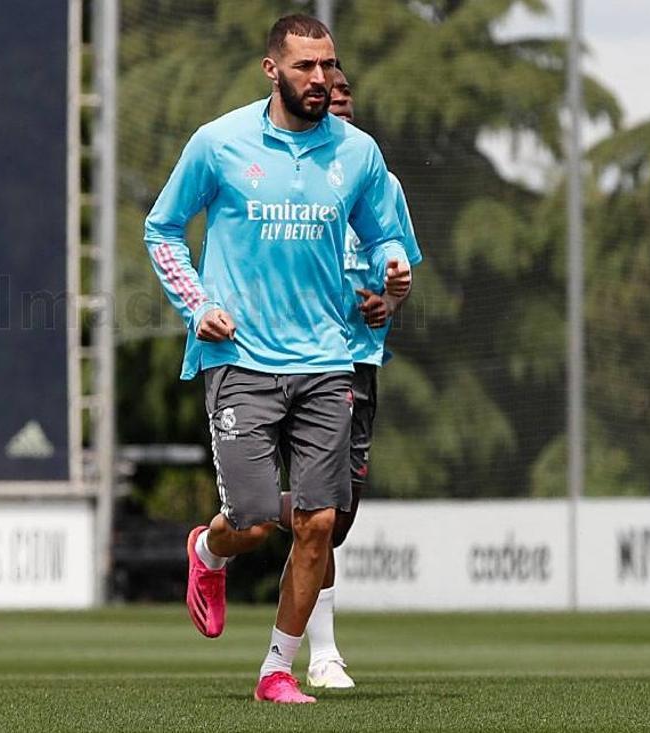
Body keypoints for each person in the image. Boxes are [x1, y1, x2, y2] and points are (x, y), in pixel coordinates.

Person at [143, 14, 412, 704]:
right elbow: (162, 229)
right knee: (257, 521)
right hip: (240, 358)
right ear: (272, 70)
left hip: (328, 359)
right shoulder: (218, 142)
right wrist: (197, 305)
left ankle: (277, 669)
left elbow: (386, 234)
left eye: (328, 65)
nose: (321, 78)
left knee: (320, 522)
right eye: (305, 67)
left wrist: (392, 268)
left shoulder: (358, 153)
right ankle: (208, 550)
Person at [275, 66, 423, 691]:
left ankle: (244, 516)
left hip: (358, 362)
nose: (338, 111)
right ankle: (323, 654)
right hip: (293, 357)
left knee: (336, 519)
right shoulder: (286, 177)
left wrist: (388, 301)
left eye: (345, 104)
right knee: (320, 514)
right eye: (328, 102)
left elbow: (401, 269)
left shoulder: (378, 179)